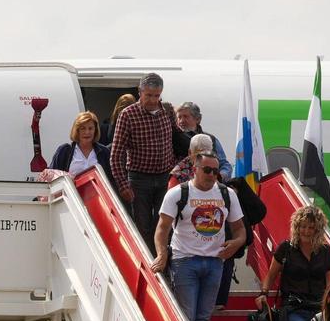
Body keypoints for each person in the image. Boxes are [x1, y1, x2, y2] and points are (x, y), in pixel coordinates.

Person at [151, 153, 247, 321]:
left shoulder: (228, 194)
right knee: (187, 317)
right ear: (195, 170)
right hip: (184, 261)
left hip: (215, 263)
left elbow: (240, 229)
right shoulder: (178, 193)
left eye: (215, 171)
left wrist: (236, 243)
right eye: (207, 170)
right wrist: (162, 254)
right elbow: (162, 229)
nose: (212, 175)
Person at [110, 73, 182, 255]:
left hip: (165, 176)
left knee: (163, 223)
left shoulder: (167, 111)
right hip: (139, 178)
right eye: (148, 95)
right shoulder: (128, 115)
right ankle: (147, 262)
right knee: (142, 226)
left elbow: (178, 138)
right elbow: (116, 154)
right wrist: (123, 185)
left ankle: (162, 263)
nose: (152, 100)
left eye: (156, 95)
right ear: (140, 92)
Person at [258, 204, 330, 321]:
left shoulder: (325, 251)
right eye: (303, 226)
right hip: (294, 308)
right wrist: (263, 293)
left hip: (319, 309)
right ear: (297, 227)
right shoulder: (286, 248)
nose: (306, 231)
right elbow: (271, 275)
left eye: (311, 227)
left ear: (317, 229)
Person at [175, 102, 231, 181]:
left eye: (186, 117)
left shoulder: (211, 139)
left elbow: (224, 164)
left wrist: (219, 176)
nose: (181, 121)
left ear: (198, 119)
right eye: (179, 117)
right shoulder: (173, 140)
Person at [50, 111, 112, 176]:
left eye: (90, 128)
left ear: (95, 130)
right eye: (83, 128)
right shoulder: (65, 151)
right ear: (77, 131)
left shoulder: (104, 152)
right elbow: (52, 176)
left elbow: (111, 179)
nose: (87, 132)